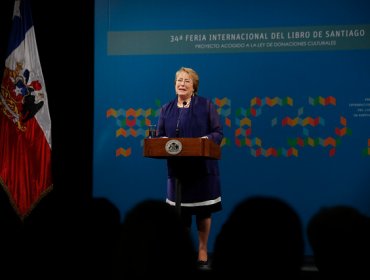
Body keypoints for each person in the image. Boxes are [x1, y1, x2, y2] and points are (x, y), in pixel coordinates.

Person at [156, 66, 223, 266]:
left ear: (194, 86)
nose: (182, 84)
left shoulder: (206, 106)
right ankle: (183, 250)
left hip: (202, 169)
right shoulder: (166, 109)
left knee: (203, 211)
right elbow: (159, 137)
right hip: (177, 170)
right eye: (179, 81)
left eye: (187, 81)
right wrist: (163, 140)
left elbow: (218, 133)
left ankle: (202, 249)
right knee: (180, 213)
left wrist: (204, 140)